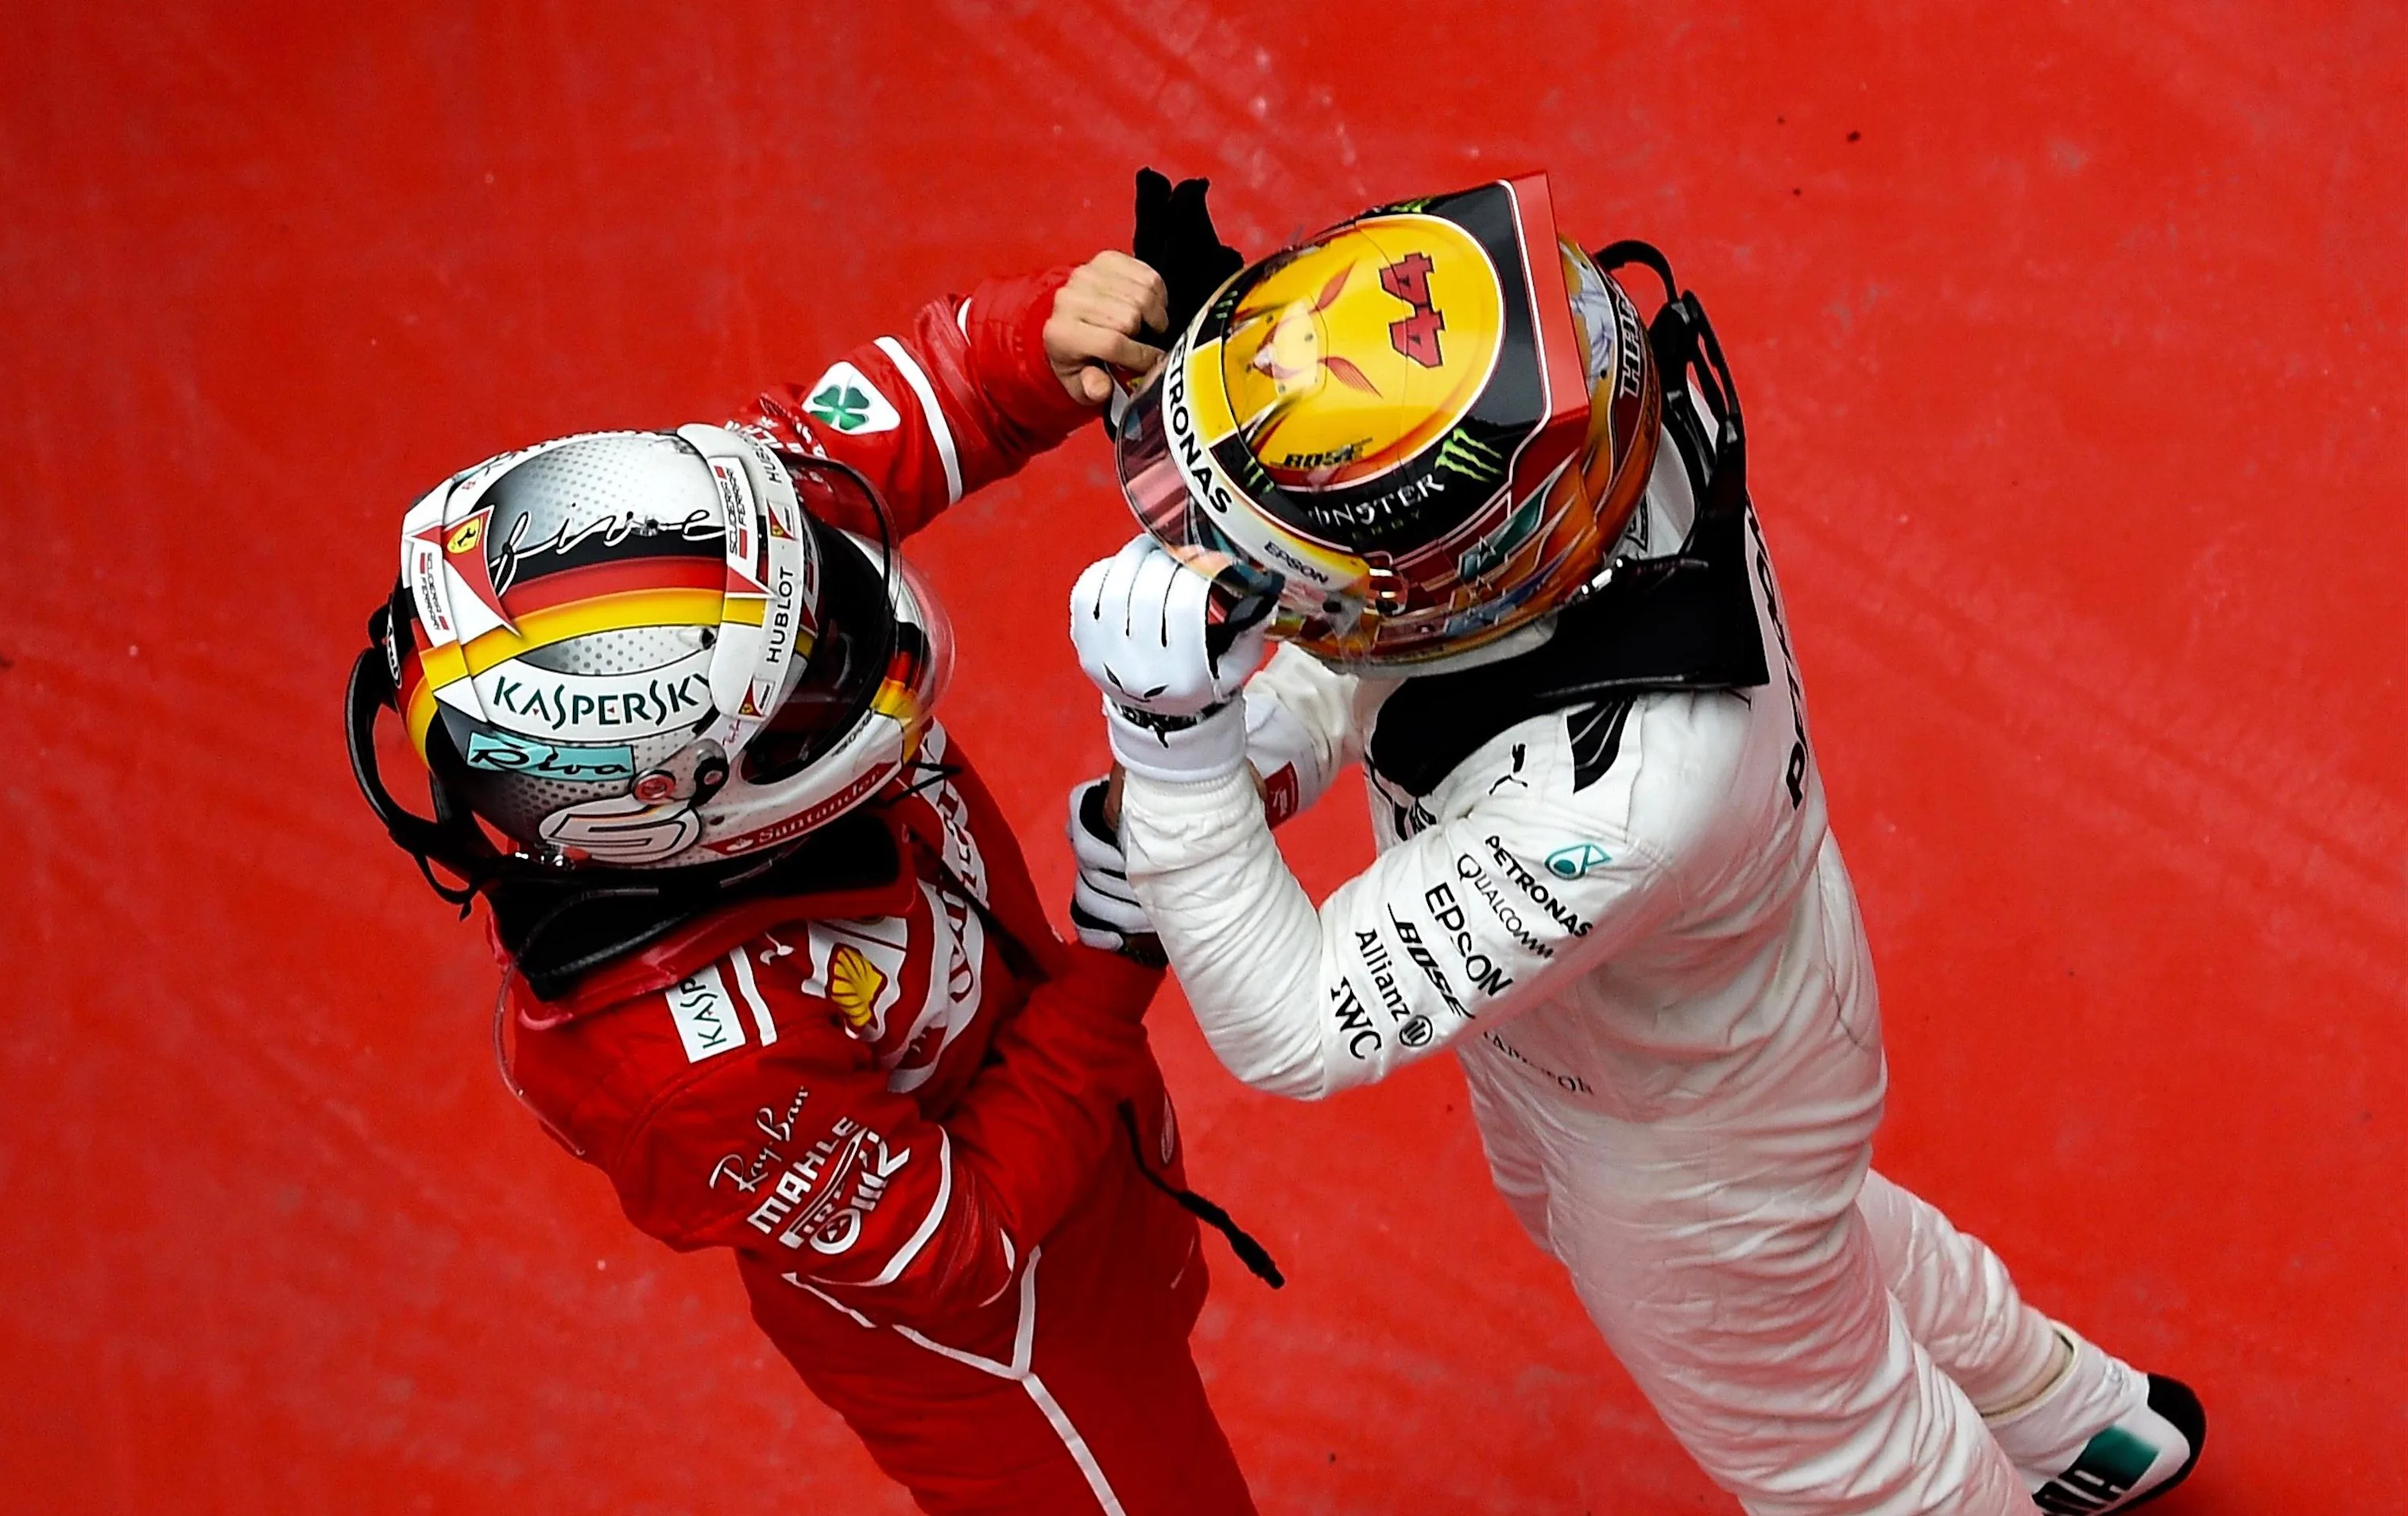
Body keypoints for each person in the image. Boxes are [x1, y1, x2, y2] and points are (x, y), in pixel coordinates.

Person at [1061, 176, 2207, 1515]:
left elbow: (1295, 1026)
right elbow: (1371, 633)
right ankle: (2077, 1425)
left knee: (1840, 1460)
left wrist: (1171, 748)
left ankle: (2042, 1437)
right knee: (1804, 1256)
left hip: (1685, 1135)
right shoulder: (1565, 426)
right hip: (1653, 1055)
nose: (1240, 577)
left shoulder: (1621, 802)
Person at [345, 211, 1266, 1514]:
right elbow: (968, 1241)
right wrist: (1114, 963)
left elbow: (821, 451)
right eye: (811, 677)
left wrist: (1031, 341)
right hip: (1014, 1358)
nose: (855, 613)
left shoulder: (688, 578)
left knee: (1164, 1317)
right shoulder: (685, 1074)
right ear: (674, 811)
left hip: (1082, 1129)